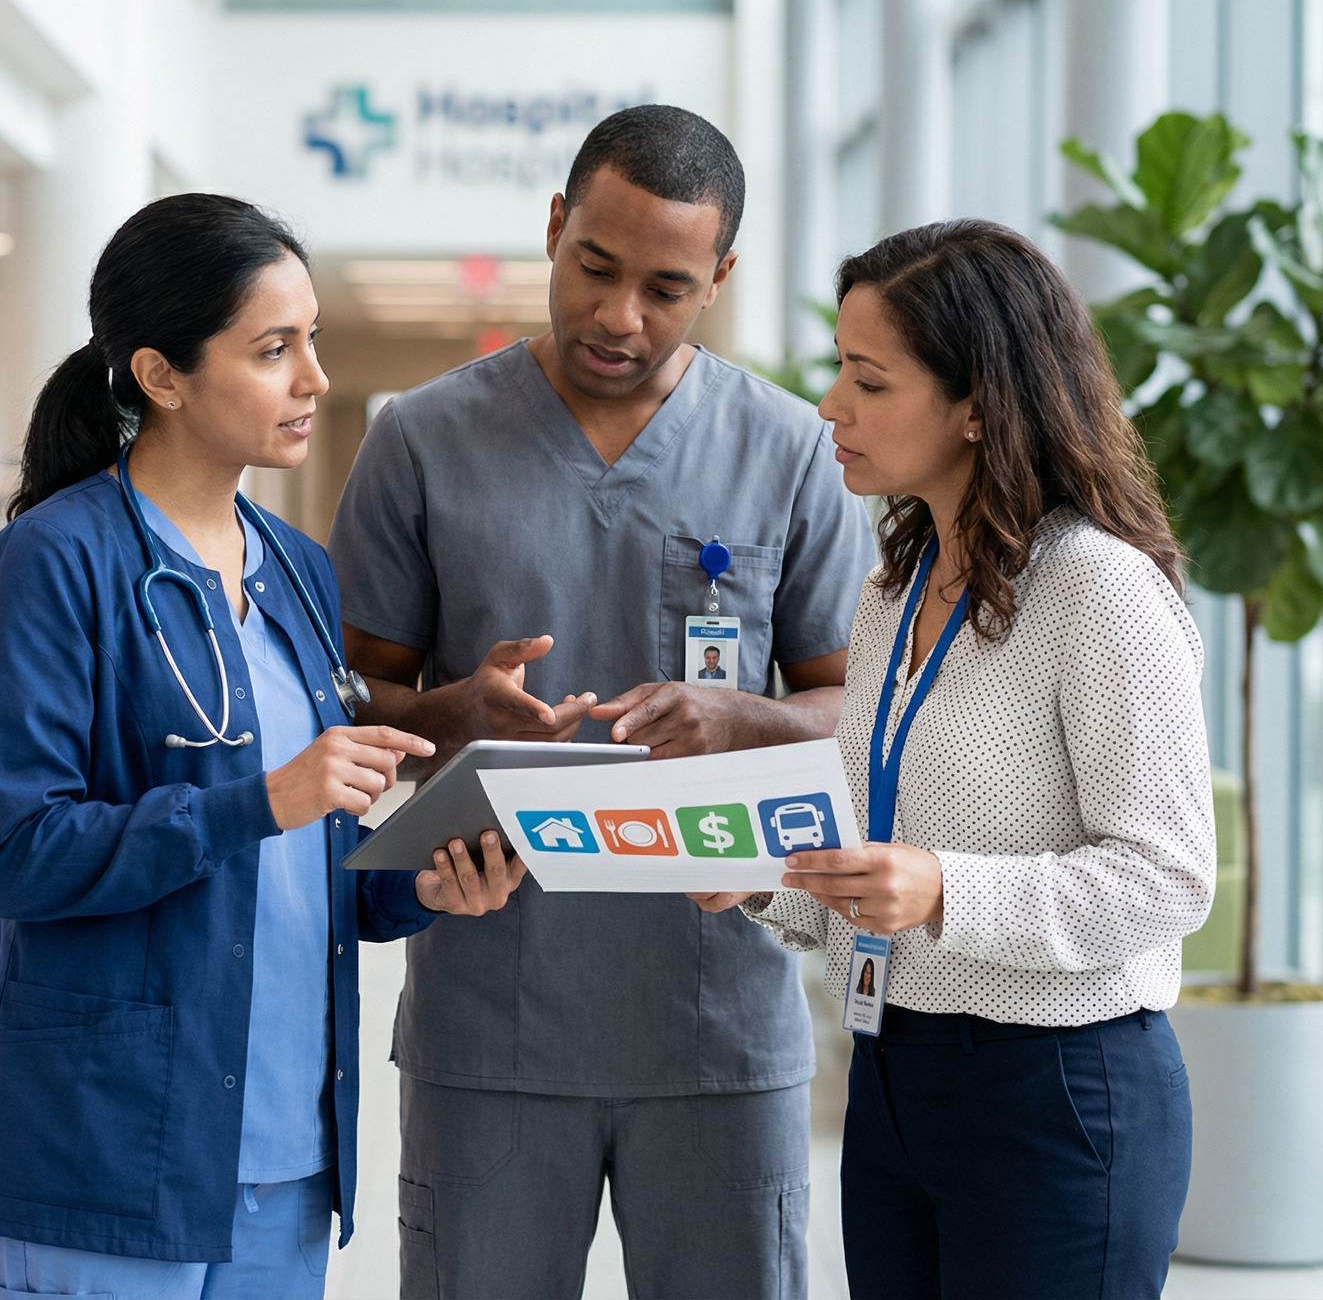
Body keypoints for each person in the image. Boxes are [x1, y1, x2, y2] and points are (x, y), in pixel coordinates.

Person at [328, 105, 875, 1300]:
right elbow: (345, 702)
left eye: (667, 287)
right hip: (492, 1012)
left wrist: (749, 720)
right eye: (595, 267)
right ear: (554, 226)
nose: (620, 316)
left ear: (721, 277)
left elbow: (856, 708)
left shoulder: (790, 453)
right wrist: (451, 711)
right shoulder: (418, 442)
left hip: (718, 1020)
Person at [0, 194, 524, 1300]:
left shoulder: (297, 571)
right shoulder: (54, 563)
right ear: (161, 373)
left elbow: (310, 875)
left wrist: (429, 880)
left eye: (311, 339)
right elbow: (17, 850)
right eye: (273, 348)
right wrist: (256, 799)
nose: (312, 375)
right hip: (104, 1148)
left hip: (284, 1157)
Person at [691, 219, 1215, 1300]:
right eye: (840, 369)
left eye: (868, 380)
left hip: (1056, 1090)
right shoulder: (894, 590)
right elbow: (881, 831)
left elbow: (1170, 878)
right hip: (891, 1070)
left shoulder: (1098, 592)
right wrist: (771, 885)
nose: (830, 405)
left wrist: (942, 889)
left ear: (979, 403)